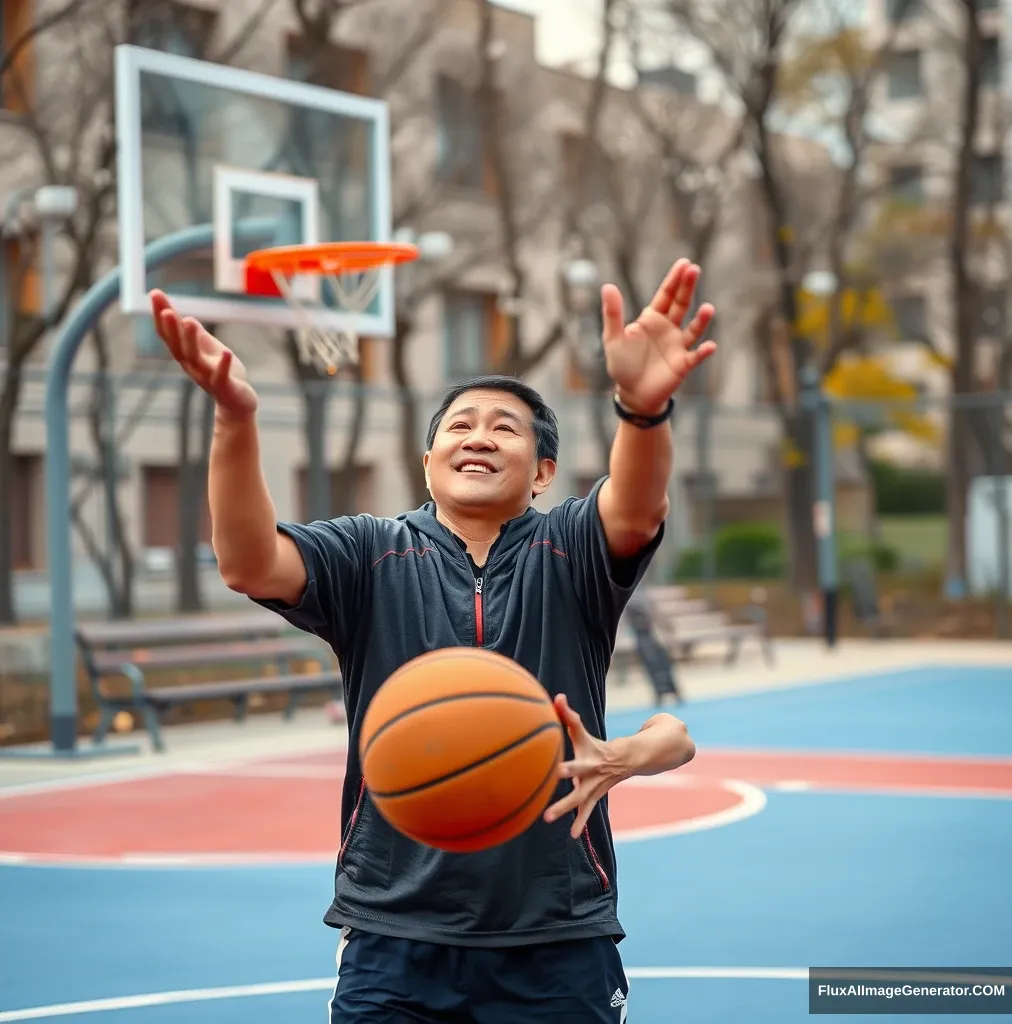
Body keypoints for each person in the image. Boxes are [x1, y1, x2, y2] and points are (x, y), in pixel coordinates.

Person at [148, 257, 715, 1023]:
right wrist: (235, 421)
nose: (479, 437)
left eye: (505, 428)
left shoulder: (573, 551)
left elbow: (636, 509)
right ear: (428, 461)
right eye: (460, 425)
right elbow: (248, 562)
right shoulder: (367, 554)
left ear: (544, 470)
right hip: (394, 929)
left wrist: (641, 414)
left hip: (556, 930)